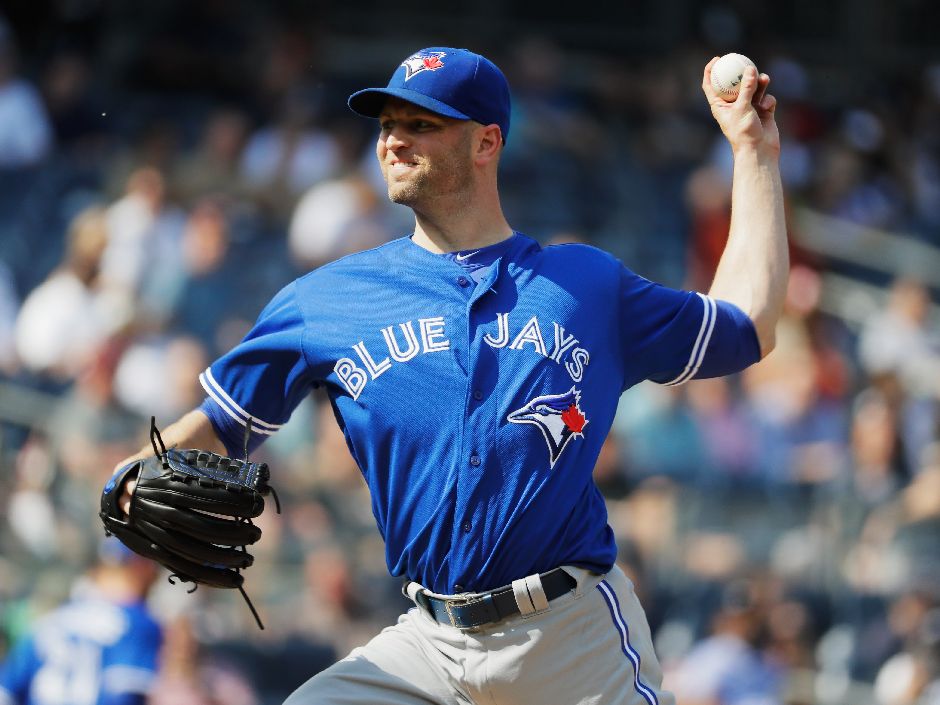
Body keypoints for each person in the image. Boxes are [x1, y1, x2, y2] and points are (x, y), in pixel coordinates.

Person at [110, 46, 787, 704]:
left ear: (486, 142)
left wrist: (753, 152)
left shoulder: (585, 285)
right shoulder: (329, 299)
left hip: (569, 636)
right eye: (386, 126)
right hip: (429, 644)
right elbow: (224, 423)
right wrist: (131, 479)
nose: (394, 142)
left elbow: (746, 323)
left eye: (421, 124)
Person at [0, 538, 163, 705]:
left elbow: (5, 692)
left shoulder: (49, 623)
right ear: (142, 566)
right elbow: (124, 696)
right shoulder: (140, 625)